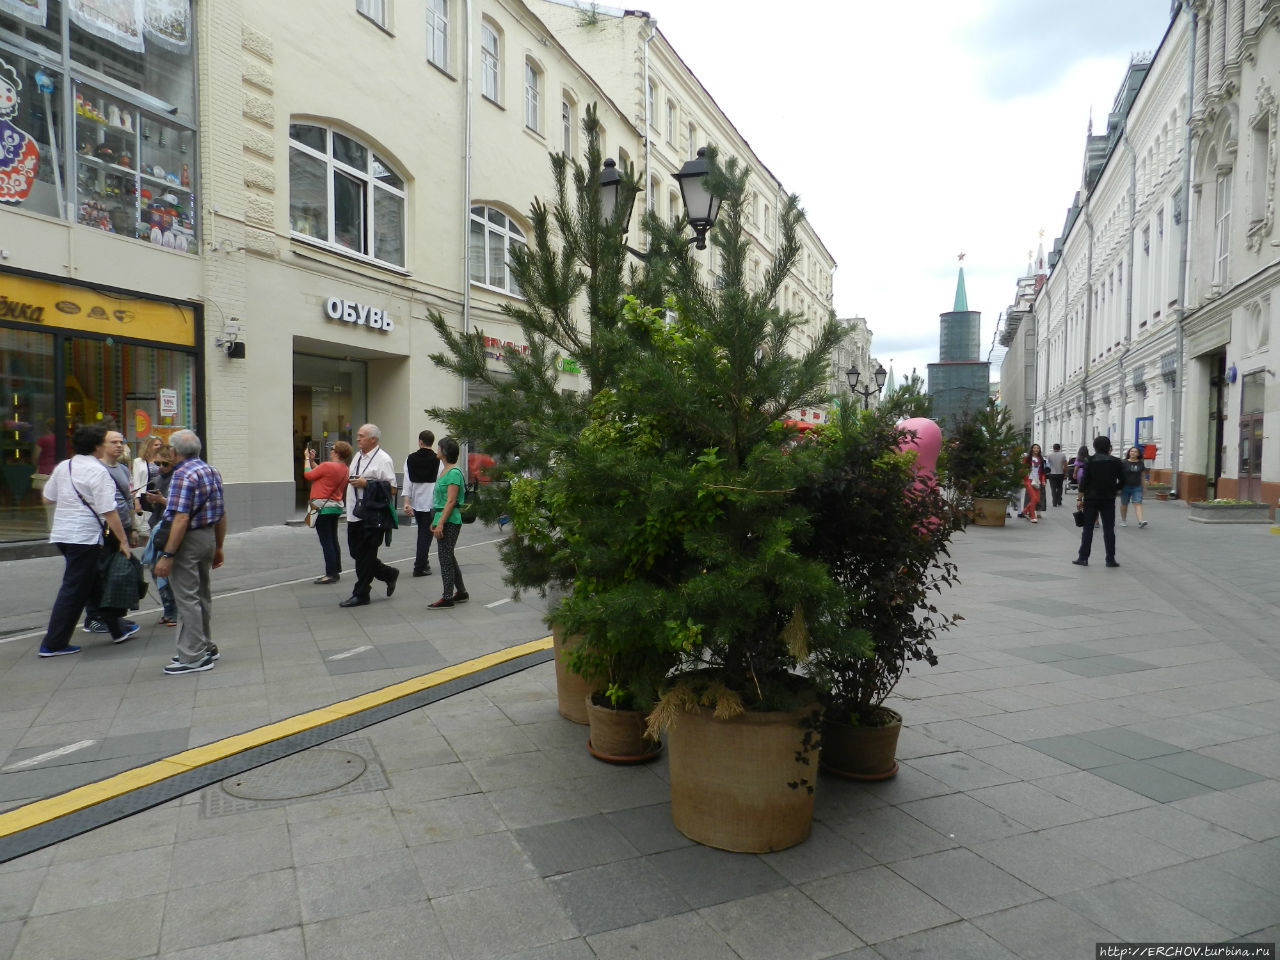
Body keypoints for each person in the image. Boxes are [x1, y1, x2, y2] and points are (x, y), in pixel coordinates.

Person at [37, 424, 136, 657]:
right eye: (105, 441)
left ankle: (116, 628)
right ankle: (54, 643)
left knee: (93, 582)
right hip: (84, 537)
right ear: (97, 446)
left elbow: (48, 497)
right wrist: (123, 540)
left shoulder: (65, 466)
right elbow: (109, 511)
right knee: (74, 589)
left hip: (62, 534)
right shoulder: (98, 471)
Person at [153, 430, 227, 675]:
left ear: (173, 452)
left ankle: (193, 656)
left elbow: (181, 518)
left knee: (186, 598)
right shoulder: (210, 470)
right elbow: (222, 512)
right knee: (202, 594)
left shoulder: (182, 475)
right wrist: (218, 546)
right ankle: (205, 645)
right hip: (207, 536)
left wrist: (168, 555)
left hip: (187, 540)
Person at [83, 430, 139, 635]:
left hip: (122, 528)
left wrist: (132, 528)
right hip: (102, 530)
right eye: (113, 442)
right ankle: (94, 617)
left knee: (116, 573)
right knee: (99, 573)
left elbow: (129, 499)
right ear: (102, 445)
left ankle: (113, 617)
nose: (118, 445)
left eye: (121, 442)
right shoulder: (96, 469)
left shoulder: (123, 469)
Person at [340, 423, 399, 608]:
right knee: (357, 553)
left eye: (361, 435)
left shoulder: (383, 459)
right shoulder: (358, 456)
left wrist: (367, 484)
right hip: (354, 513)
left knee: (366, 554)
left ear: (373, 439)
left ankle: (361, 593)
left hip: (373, 516)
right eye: (358, 435)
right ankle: (388, 573)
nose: (357, 439)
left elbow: (393, 489)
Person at [303, 440, 352, 584]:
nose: (330, 450)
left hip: (322, 508)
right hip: (335, 507)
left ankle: (330, 574)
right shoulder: (344, 468)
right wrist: (313, 461)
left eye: (332, 448)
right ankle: (335, 569)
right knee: (333, 539)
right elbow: (321, 473)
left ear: (336, 452)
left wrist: (306, 459)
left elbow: (309, 475)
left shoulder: (328, 466)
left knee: (326, 542)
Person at [428, 437, 469, 609]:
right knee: (449, 556)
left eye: (439, 448)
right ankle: (461, 592)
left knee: (445, 558)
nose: (437, 450)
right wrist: (435, 520)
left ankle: (447, 597)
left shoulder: (453, 473)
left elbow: (451, 501)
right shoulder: (444, 471)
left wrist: (441, 523)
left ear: (444, 451)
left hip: (450, 520)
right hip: (442, 517)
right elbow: (441, 500)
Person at [1073, 435, 1125, 568]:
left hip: (1091, 499)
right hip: (1108, 499)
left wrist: (1079, 499)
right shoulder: (1116, 461)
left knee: (1088, 529)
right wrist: (1115, 489)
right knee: (1109, 529)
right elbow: (1123, 481)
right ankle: (1110, 559)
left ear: (1095, 447)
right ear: (1109, 447)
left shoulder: (1089, 461)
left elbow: (1084, 482)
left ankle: (1083, 558)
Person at [141, 448, 179, 625]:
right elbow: (151, 508)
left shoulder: (178, 478)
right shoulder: (156, 480)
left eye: (165, 464)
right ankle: (168, 608)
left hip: (170, 529)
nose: (161, 467)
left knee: (166, 571)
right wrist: (149, 500)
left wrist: (162, 501)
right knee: (155, 570)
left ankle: (174, 611)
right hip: (157, 527)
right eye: (157, 464)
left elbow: (180, 507)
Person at [402, 430, 439, 577]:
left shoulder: (410, 458)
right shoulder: (438, 460)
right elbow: (441, 482)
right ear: (432, 442)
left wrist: (406, 502)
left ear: (420, 441)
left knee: (422, 532)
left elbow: (407, 482)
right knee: (426, 535)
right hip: (432, 502)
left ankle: (423, 562)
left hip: (417, 502)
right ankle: (419, 566)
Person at [1119, 445, 1148, 528]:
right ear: (1129, 453)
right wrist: (1119, 487)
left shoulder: (1140, 463)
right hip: (1125, 487)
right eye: (1131, 451)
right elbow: (1119, 475)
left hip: (1136, 487)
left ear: (1138, 454)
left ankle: (1140, 521)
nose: (1133, 453)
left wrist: (1144, 487)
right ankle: (1123, 520)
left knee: (1137, 503)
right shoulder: (1124, 462)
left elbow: (1142, 476)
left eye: (1135, 452)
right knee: (1124, 504)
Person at [1019, 443, 1047, 523]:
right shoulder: (1027, 458)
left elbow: (1042, 472)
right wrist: (1022, 479)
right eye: (1035, 448)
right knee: (1033, 498)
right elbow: (1022, 469)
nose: (1036, 449)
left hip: (1037, 481)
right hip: (1028, 480)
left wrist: (1043, 480)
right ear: (1032, 449)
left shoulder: (1041, 459)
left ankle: (1024, 511)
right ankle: (1032, 516)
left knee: (1037, 499)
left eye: (1038, 448)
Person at [1046, 443, 1068, 507]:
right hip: (1060, 473)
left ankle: (1054, 502)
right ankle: (1059, 500)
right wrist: (1066, 473)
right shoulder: (1063, 455)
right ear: (1059, 448)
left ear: (1053, 448)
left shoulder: (1049, 455)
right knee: (1060, 488)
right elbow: (1065, 465)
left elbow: (1047, 464)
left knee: (1053, 488)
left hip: (1052, 474)